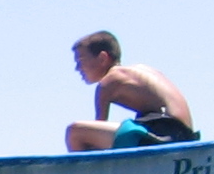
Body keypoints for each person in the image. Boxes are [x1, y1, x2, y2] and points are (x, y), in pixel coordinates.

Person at [64, 31, 197, 150]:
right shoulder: (141, 71)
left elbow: (97, 130)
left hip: (164, 135)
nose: (77, 68)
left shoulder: (109, 82)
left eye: (80, 61)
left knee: (75, 132)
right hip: (185, 135)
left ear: (103, 58)